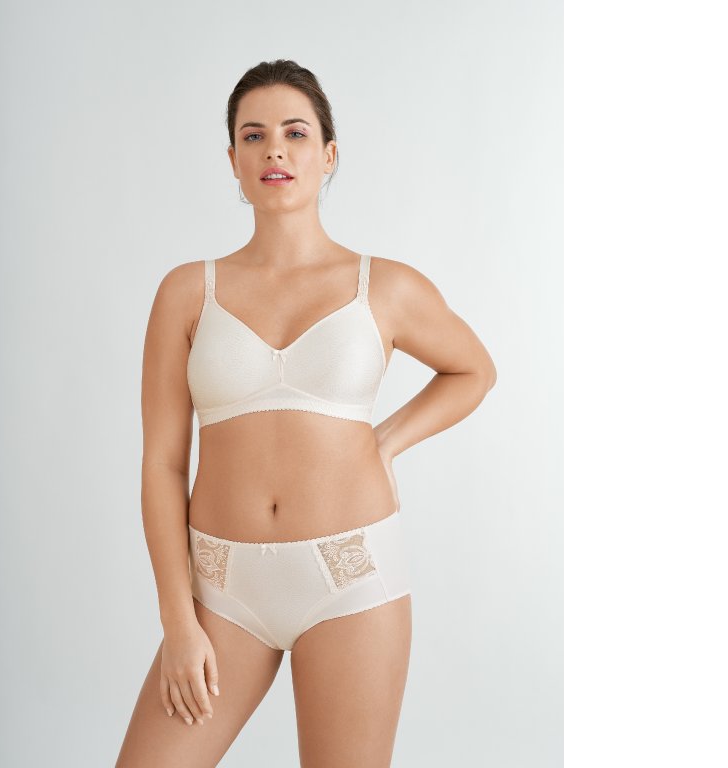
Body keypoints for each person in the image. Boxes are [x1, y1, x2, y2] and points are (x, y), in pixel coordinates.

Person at [115, 59, 496, 768]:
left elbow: (474, 370)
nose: (275, 150)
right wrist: (178, 621)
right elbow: (162, 464)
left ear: (328, 154)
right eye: (253, 136)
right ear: (234, 161)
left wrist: (385, 442)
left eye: (295, 133)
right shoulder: (186, 292)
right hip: (221, 590)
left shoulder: (384, 286)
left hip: (352, 581)